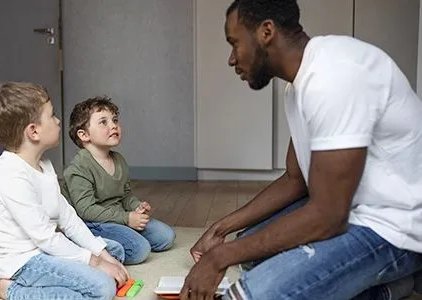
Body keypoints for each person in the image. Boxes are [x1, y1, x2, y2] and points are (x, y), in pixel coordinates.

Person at [180, 0, 422, 299]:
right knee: (253, 252)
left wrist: (221, 257)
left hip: (396, 229)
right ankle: (389, 288)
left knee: (248, 294)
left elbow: (328, 216)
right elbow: (296, 180)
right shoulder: (299, 86)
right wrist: (221, 230)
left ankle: (400, 277)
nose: (232, 59)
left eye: (234, 43)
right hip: (354, 211)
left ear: (266, 31)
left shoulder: (334, 77)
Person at [0, 82, 129, 300]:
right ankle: (11, 290)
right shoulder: (11, 176)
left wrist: (103, 256)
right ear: (34, 131)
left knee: (115, 252)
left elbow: (67, 218)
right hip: (23, 261)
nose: (58, 121)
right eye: (52, 115)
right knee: (103, 288)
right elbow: (46, 237)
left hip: (44, 248)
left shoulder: (44, 165)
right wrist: (94, 262)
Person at [61, 96, 175, 265]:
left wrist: (136, 206)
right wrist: (127, 218)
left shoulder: (118, 160)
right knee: (139, 250)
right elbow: (86, 210)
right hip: (92, 223)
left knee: (166, 236)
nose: (113, 125)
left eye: (114, 120)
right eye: (103, 122)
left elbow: (125, 195)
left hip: (118, 217)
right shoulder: (79, 168)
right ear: (84, 135)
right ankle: (90, 246)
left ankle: (119, 238)